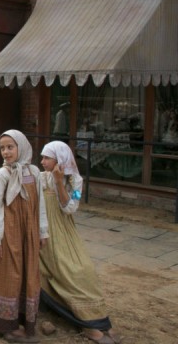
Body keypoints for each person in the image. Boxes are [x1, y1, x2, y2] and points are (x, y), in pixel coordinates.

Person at [38, 141, 122, 344]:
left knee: (83, 269)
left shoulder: (76, 181)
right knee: (63, 270)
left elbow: (70, 208)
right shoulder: (41, 178)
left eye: (47, 158)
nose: (42, 162)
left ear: (60, 159)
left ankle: (97, 320)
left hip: (65, 231)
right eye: (42, 158)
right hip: (46, 230)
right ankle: (86, 323)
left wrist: (59, 182)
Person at [0, 129, 49, 343]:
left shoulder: (34, 172)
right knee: (6, 274)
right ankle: (2, 325)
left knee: (27, 274)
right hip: (9, 234)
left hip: (29, 234)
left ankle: (15, 318)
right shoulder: (3, 174)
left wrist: (43, 231)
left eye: (10, 147)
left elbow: (41, 205)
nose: (6, 152)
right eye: (2, 148)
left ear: (21, 147)